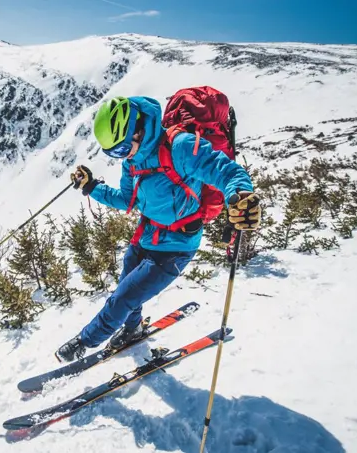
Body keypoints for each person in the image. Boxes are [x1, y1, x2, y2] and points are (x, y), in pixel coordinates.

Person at [55, 95, 261, 362]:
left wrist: (241, 195)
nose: (122, 156)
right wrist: (92, 187)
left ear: (139, 129)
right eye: (113, 153)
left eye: (122, 149)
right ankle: (132, 329)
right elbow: (127, 200)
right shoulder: (132, 162)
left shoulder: (181, 147)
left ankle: (85, 341)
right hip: (146, 236)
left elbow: (228, 173)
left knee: (124, 297)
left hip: (176, 247)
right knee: (127, 290)